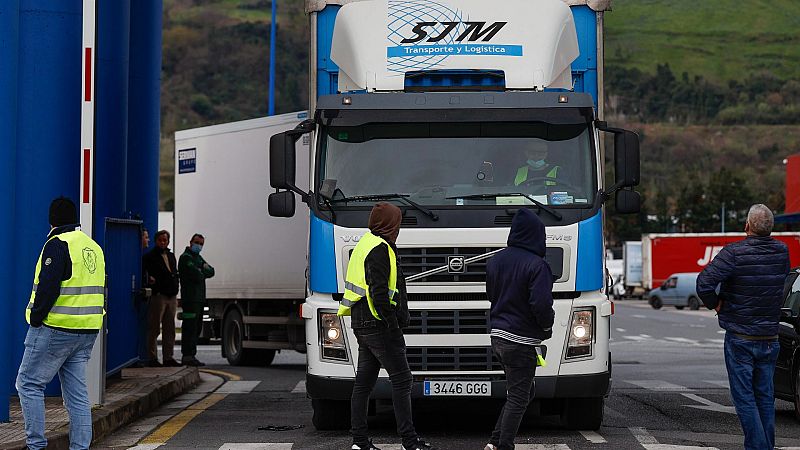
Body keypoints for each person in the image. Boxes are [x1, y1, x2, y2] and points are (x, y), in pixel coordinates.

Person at [338, 202, 436, 450]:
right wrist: (392, 325)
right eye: (398, 222)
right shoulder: (380, 249)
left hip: (362, 322)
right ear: (390, 225)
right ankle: (409, 441)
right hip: (378, 324)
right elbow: (379, 292)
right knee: (402, 380)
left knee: (363, 384)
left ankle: (359, 442)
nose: (399, 227)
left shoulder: (365, 244)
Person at [696, 204, 789, 450]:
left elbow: (704, 283)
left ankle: (758, 448)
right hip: (770, 336)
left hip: (741, 337)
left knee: (745, 398)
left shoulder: (734, 253)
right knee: (765, 398)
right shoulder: (782, 251)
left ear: (747, 225)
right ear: (771, 228)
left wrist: (716, 305)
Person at [16, 197, 106, 450]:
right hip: (87, 331)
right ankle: (80, 447)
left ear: (52, 220)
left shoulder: (57, 244)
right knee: (77, 396)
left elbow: (47, 287)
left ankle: (36, 445)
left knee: (28, 383)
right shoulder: (93, 247)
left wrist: (35, 317)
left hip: (55, 328)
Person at [484, 208, 555, 450]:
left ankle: (495, 441)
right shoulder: (537, 266)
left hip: (498, 336)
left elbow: (491, 294)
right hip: (521, 339)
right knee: (518, 396)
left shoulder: (496, 260)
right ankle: (504, 445)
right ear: (537, 235)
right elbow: (542, 304)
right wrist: (546, 326)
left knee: (521, 391)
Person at [142, 230, 181, 367]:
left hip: (171, 295)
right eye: (160, 240)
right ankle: (152, 357)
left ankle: (168, 357)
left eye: (165, 240)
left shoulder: (171, 256)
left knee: (170, 328)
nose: (163, 242)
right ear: (156, 241)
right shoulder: (150, 257)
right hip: (159, 295)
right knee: (154, 328)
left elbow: (174, 273)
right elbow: (145, 274)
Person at [178, 233, 215, 366]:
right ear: (191, 242)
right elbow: (196, 275)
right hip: (190, 299)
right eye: (197, 243)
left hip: (199, 299)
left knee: (196, 328)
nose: (198, 246)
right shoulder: (185, 258)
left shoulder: (198, 258)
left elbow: (211, 271)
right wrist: (201, 271)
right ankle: (187, 355)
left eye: (201, 244)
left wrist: (201, 270)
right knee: (190, 327)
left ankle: (191, 355)